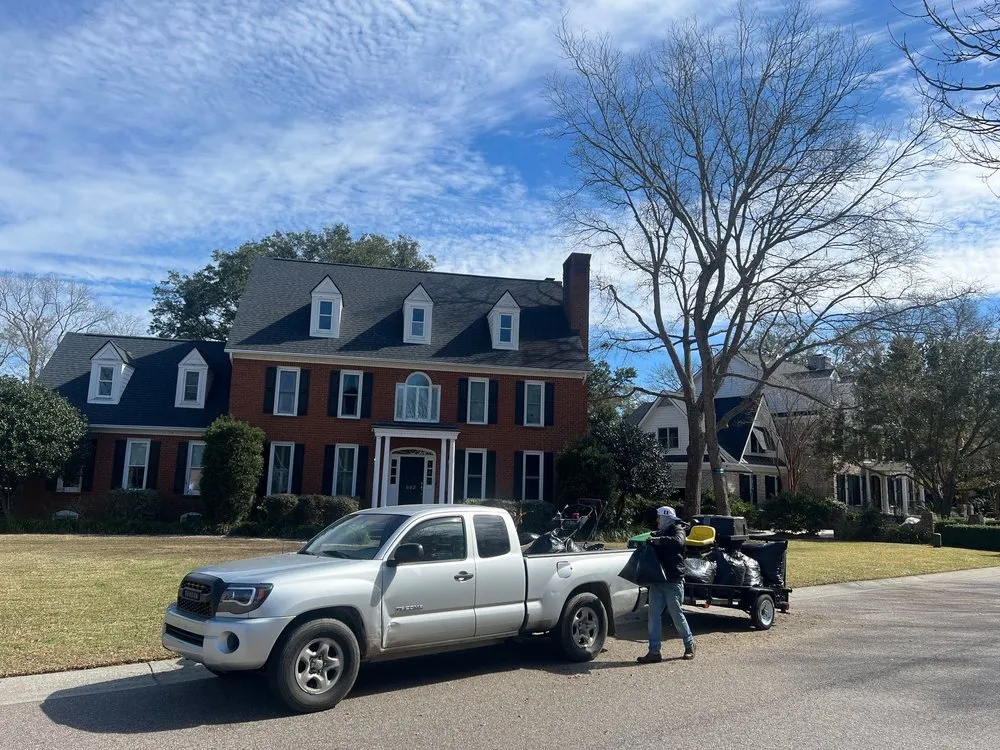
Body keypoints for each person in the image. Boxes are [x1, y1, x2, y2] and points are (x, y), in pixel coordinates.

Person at [637, 505, 696, 663]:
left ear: (665, 517)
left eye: (659, 517)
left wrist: (659, 540)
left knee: (677, 615)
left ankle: (690, 645)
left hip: (673, 580)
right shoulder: (661, 532)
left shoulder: (678, 529)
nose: (657, 520)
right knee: (653, 616)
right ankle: (654, 652)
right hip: (658, 580)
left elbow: (679, 542)